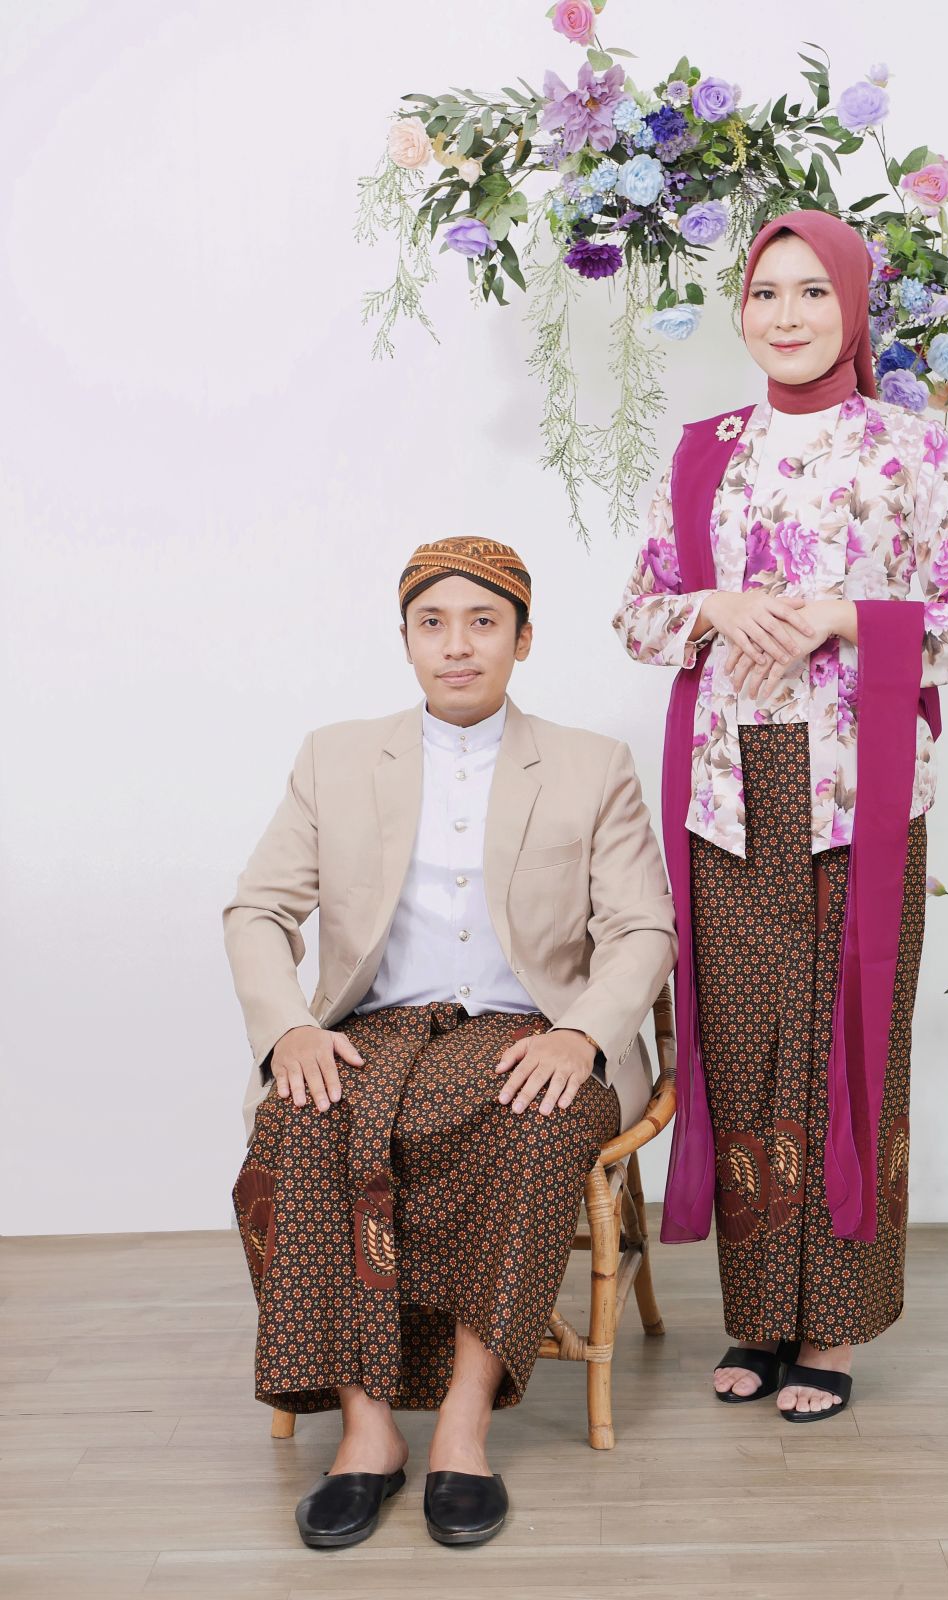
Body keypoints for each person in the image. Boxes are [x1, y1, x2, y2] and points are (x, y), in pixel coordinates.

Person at [612, 209, 948, 1422]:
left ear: (852, 306)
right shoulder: (704, 453)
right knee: (741, 1051)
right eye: (765, 292)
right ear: (742, 310)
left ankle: (829, 1329)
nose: (785, 315)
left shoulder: (910, 450)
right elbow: (637, 614)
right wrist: (715, 607)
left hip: (857, 794)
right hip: (728, 791)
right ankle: (758, 1318)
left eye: (811, 292)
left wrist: (844, 618)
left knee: (847, 1050)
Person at [226, 536, 676, 1548]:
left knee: (532, 1125)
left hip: (535, 1030)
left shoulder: (590, 763)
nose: (457, 645)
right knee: (299, 1126)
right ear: (405, 641)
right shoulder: (335, 755)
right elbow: (258, 909)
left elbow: (643, 925)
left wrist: (581, 1034)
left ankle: (463, 1430)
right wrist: (289, 1026)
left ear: (524, 639)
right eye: (432, 624)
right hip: (373, 1031)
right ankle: (368, 1430)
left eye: (483, 622)